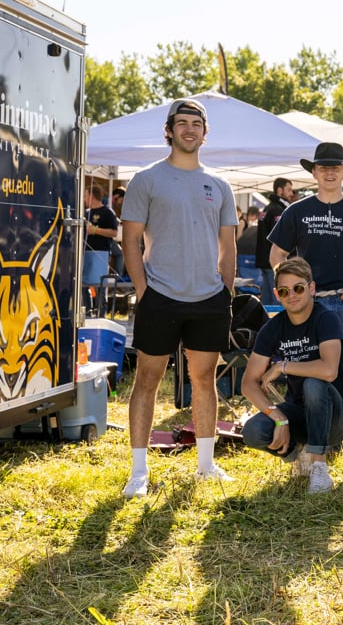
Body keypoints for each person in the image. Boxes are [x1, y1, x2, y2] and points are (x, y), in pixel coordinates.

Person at [120, 98, 238, 497]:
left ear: (206, 133)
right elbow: (131, 240)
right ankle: (138, 471)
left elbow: (228, 245)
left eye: (196, 124)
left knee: (204, 380)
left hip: (209, 299)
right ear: (169, 131)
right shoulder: (147, 179)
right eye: (182, 123)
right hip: (160, 296)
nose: (189, 130)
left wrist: (226, 290)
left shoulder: (219, 185)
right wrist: (143, 291)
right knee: (147, 380)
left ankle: (206, 466)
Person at [269, 142, 343, 460]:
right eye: (323, 167)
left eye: (335, 167)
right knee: (322, 374)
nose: (329, 172)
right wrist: (295, 291)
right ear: (313, 171)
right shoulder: (297, 211)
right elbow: (276, 255)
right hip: (314, 308)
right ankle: (329, 436)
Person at [240, 257, 343, 493]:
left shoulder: (326, 319)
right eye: (284, 291)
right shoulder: (273, 328)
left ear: (311, 288)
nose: (291, 295)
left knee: (313, 383)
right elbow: (248, 384)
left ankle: (320, 469)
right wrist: (279, 417)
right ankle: (298, 454)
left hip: (337, 416)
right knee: (252, 431)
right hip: (298, 411)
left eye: (298, 288)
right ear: (277, 294)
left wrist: (283, 366)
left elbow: (328, 370)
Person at [257, 177, 295, 303]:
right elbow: (280, 239)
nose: (291, 194)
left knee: (267, 300)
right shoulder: (277, 210)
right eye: (289, 190)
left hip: (264, 261)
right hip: (273, 262)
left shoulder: (268, 208)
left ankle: (265, 322)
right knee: (278, 300)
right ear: (280, 190)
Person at [84, 183, 118, 285]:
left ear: (92, 196)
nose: (84, 199)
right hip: (85, 252)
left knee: (98, 284)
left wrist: (95, 230)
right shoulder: (85, 213)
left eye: (85, 196)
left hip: (100, 253)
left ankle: (101, 301)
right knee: (85, 285)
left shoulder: (107, 212)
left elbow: (114, 232)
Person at [236, 205, 261, 281]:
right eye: (255, 216)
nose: (256, 219)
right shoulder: (242, 222)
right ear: (250, 215)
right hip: (242, 250)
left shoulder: (250, 224)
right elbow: (238, 238)